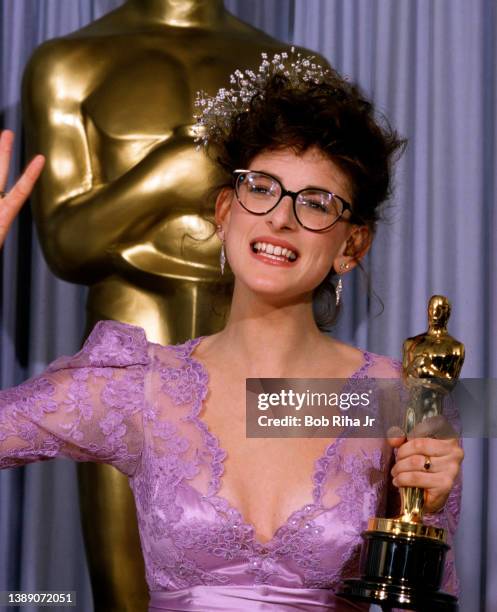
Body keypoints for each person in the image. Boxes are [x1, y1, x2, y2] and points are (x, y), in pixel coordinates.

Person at [1, 50, 463, 611]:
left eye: (316, 203)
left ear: (351, 246)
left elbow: (423, 598)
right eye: (262, 187)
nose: (281, 218)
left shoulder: (396, 398)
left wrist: (429, 508)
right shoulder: (140, 386)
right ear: (224, 212)